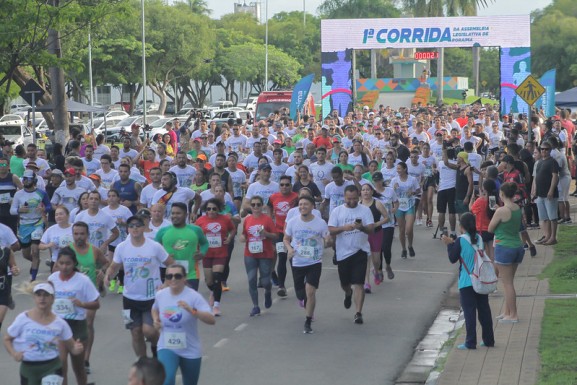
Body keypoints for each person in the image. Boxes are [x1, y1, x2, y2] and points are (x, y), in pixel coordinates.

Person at [105, 215, 175, 358]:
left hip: (152, 297)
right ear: (127, 229)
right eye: (131, 226)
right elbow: (114, 267)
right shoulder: (121, 247)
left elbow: (171, 264)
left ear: (143, 227)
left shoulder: (154, 246)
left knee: (149, 331)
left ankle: (156, 350)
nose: (135, 228)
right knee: (135, 332)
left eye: (138, 225)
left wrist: (166, 283)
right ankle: (142, 362)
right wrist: (107, 276)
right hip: (129, 298)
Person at [4, 281, 84, 385]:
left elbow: (72, 347)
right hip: (29, 369)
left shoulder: (60, 323)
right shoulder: (23, 318)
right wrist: (14, 354)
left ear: (52, 298)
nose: (42, 298)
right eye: (39, 295)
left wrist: (77, 349)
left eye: (46, 295)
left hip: (52, 367)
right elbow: (7, 339)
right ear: (34, 298)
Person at [151, 264, 215, 385]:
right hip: (166, 346)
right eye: (169, 276)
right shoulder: (161, 295)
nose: (173, 279)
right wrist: (156, 320)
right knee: (167, 380)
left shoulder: (193, 296)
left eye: (177, 276)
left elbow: (211, 320)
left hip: (190, 348)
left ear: (184, 278)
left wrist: (192, 311)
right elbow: (154, 308)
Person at [48, 247, 100, 385]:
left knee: (78, 368)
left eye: (68, 263)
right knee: (61, 364)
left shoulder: (83, 280)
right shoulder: (52, 279)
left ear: (74, 263)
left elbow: (96, 304)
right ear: (57, 263)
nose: (64, 267)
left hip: (77, 327)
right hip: (58, 326)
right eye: (61, 263)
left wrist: (81, 303)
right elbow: (46, 301)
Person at [443, 212, 495, 349]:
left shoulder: (461, 240)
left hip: (467, 281)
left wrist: (449, 245)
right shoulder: (479, 238)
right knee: (484, 310)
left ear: (462, 226)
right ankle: (489, 340)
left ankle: (470, 342)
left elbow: (453, 258)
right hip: (481, 279)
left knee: (469, 312)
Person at [328, 185, 375, 325]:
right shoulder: (338, 211)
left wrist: (362, 228)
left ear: (359, 196)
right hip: (343, 253)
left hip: (360, 251)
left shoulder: (365, 210)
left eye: (355, 198)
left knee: (359, 283)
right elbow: (331, 229)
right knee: (345, 283)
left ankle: (358, 312)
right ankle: (348, 293)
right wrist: (343, 228)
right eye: (349, 199)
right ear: (344, 197)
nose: (352, 201)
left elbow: (371, 230)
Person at [284, 196, 331, 334]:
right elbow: (286, 239)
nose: (303, 206)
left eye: (306, 204)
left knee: (310, 292)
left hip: (314, 261)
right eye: (300, 204)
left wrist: (328, 241)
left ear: (312, 207)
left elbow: (328, 240)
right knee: (301, 294)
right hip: (298, 261)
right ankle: (302, 300)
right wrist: (289, 248)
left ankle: (308, 321)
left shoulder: (320, 223)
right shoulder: (293, 222)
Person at [489, 182, 525, 323]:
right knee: (508, 282)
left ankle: (513, 315)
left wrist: (497, 212)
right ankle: (507, 312)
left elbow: (491, 228)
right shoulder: (517, 207)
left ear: (502, 194)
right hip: (517, 246)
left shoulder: (501, 211)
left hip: (504, 247)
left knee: (507, 284)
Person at [194, 199, 235, 315]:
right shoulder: (200, 221)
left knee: (217, 276)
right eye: (208, 209)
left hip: (220, 252)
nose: (211, 211)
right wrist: (197, 249)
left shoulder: (225, 219)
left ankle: (216, 306)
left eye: (214, 209)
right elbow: (195, 235)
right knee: (209, 281)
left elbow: (232, 229)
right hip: (206, 253)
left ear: (218, 209)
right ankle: (214, 291)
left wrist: (230, 238)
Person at [155, 202, 208, 291]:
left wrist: (202, 253)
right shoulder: (163, 231)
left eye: (178, 213)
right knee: (172, 304)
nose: (175, 216)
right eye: (173, 213)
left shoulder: (195, 230)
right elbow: (154, 249)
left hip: (191, 275)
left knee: (188, 304)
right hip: (170, 276)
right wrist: (163, 257)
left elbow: (204, 243)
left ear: (186, 215)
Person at [10, 170, 52, 281]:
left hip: (37, 223)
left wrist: (44, 209)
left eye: (28, 179)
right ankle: (35, 261)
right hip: (24, 224)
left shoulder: (41, 193)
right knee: (26, 254)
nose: (26, 181)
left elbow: (49, 206)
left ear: (34, 180)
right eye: (24, 179)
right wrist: (20, 210)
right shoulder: (18, 194)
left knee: (35, 250)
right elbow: (12, 210)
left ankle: (32, 278)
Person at [240, 195, 277, 316]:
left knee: (265, 281)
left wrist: (265, 233)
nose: (256, 207)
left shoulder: (267, 220)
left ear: (262, 206)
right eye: (253, 204)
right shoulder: (247, 220)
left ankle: (267, 291)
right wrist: (242, 237)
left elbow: (275, 236)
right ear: (250, 206)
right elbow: (244, 234)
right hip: (250, 254)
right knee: (252, 280)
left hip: (265, 254)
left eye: (258, 204)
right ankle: (255, 306)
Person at [268, 175, 298, 297]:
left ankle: (298, 284)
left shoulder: (296, 197)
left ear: (291, 185)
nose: (284, 187)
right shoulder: (273, 197)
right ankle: (281, 286)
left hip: (293, 233)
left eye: (287, 184)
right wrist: (271, 219)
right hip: (280, 232)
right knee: (281, 257)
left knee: (293, 259)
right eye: (282, 184)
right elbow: (269, 206)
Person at [360, 183, 389, 291]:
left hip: (376, 233)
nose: (366, 192)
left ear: (372, 191)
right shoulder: (359, 204)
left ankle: (376, 271)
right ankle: (366, 283)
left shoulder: (377, 203)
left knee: (376, 260)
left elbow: (387, 218)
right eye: (363, 190)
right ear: (361, 192)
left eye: (368, 190)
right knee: (366, 258)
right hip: (363, 234)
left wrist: (376, 224)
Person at [531, 142, 559, 245]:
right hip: (540, 194)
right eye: (542, 149)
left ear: (550, 150)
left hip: (549, 194)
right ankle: (547, 236)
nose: (544, 151)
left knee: (552, 217)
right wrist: (534, 191)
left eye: (546, 149)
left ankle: (553, 237)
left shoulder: (552, 162)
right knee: (544, 217)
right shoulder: (539, 162)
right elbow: (536, 178)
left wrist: (551, 190)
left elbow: (555, 176)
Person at [391, 162, 420, 258]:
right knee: (402, 230)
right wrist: (394, 189)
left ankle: (410, 245)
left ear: (405, 169)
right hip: (399, 206)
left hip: (410, 205)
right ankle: (404, 249)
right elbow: (390, 193)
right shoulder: (394, 180)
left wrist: (413, 192)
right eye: (397, 169)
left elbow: (418, 190)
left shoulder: (412, 179)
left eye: (399, 168)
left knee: (409, 229)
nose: (398, 170)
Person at [40, 205, 74, 270]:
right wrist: (48, 245)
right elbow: (40, 246)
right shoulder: (51, 230)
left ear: (68, 215)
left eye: (61, 214)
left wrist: (72, 245)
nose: (58, 216)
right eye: (56, 215)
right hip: (56, 261)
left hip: (73, 261)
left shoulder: (74, 228)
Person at [0, 246, 19, 331]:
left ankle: (9, 298)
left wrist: (15, 270)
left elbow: (15, 269)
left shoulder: (6, 251)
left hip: (3, 290)